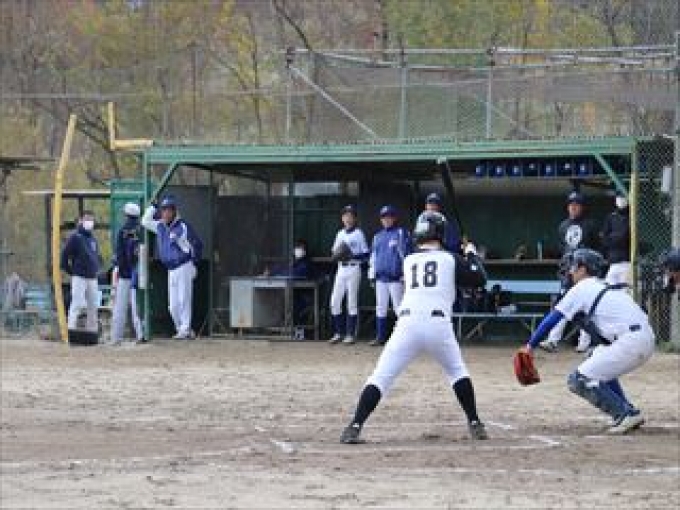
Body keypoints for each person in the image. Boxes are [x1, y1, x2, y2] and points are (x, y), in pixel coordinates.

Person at [339, 211, 489, 444]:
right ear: (440, 233)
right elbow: (480, 279)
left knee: (381, 377)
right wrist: (471, 254)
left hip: (407, 324)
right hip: (438, 325)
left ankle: (354, 426)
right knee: (457, 372)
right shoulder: (450, 259)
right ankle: (475, 422)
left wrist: (464, 256)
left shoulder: (409, 260)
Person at [523, 248, 655, 435]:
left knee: (578, 379)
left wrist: (530, 345)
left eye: (573, 267)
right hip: (641, 338)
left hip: (631, 341)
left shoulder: (582, 287)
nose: (570, 272)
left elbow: (552, 319)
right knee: (596, 358)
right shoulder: (602, 284)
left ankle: (623, 414)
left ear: (583, 269)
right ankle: (628, 410)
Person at [540, 191, 600, 353]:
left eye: (577, 205)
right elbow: (563, 248)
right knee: (562, 305)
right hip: (569, 270)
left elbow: (597, 249)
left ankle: (584, 343)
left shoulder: (590, 225)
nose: (573, 208)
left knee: (587, 306)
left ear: (582, 207)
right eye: (571, 205)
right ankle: (553, 340)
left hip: (585, 271)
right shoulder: (563, 226)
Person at [141, 195, 203, 340]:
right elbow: (145, 221)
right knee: (172, 306)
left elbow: (196, 245)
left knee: (183, 300)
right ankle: (182, 329)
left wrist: (194, 262)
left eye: (169, 210)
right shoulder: (160, 226)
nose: (166, 213)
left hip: (184, 266)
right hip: (170, 269)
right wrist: (153, 207)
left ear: (174, 211)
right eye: (163, 210)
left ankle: (185, 329)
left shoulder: (182, 226)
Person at [368, 205, 411, 346]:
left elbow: (406, 255)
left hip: (396, 278)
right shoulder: (377, 236)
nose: (386, 219)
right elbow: (373, 257)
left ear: (394, 218)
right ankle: (380, 337)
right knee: (381, 307)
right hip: (381, 278)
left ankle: (404, 338)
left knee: (399, 308)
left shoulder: (401, 232)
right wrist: (371, 274)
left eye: (389, 217)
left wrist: (405, 274)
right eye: (384, 217)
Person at [328, 205, 369, 345]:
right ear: (342, 218)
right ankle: (338, 333)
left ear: (354, 218)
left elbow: (366, 254)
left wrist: (352, 255)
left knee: (351, 302)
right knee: (334, 302)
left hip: (353, 268)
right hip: (341, 269)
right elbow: (334, 252)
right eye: (346, 216)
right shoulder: (340, 234)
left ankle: (350, 334)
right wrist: (339, 255)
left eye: (351, 216)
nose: (348, 218)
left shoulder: (359, 233)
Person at [60, 210, 101, 332]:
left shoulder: (93, 239)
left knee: (93, 306)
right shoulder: (75, 237)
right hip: (79, 277)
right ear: (81, 220)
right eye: (87, 219)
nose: (89, 222)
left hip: (92, 277)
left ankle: (92, 331)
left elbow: (96, 256)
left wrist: (97, 268)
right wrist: (71, 271)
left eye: (91, 219)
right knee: (77, 304)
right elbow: (64, 255)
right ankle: (71, 330)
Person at [266, 239, 315, 339]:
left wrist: (279, 274)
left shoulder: (306, 263)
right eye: (297, 247)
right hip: (290, 294)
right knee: (279, 302)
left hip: (303, 296)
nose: (299, 250)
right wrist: (270, 272)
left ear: (305, 250)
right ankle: (280, 331)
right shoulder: (292, 261)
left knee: (294, 306)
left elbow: (294, 274)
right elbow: (280, 268)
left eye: (301, 248)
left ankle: (299, 332)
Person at [111, 203, 144, 345]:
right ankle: (141, 335)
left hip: (125, 274)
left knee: (120, 307)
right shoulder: (142, 229)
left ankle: (116, 337)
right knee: (138, 307)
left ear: (126, 215)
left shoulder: (122, 230)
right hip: (139, 273)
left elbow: (119, 254)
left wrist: (120, 269)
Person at [600, 193, 631, 286]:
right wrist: (617, 237)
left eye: (623, 197)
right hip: (613, 262)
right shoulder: (611, 217)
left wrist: (614, 237)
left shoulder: (632, 216)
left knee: (624, 290)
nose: (621, 200)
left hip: (627, 262)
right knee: (608, 288)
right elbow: (604, 239)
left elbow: (624, 237)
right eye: (619, 197)